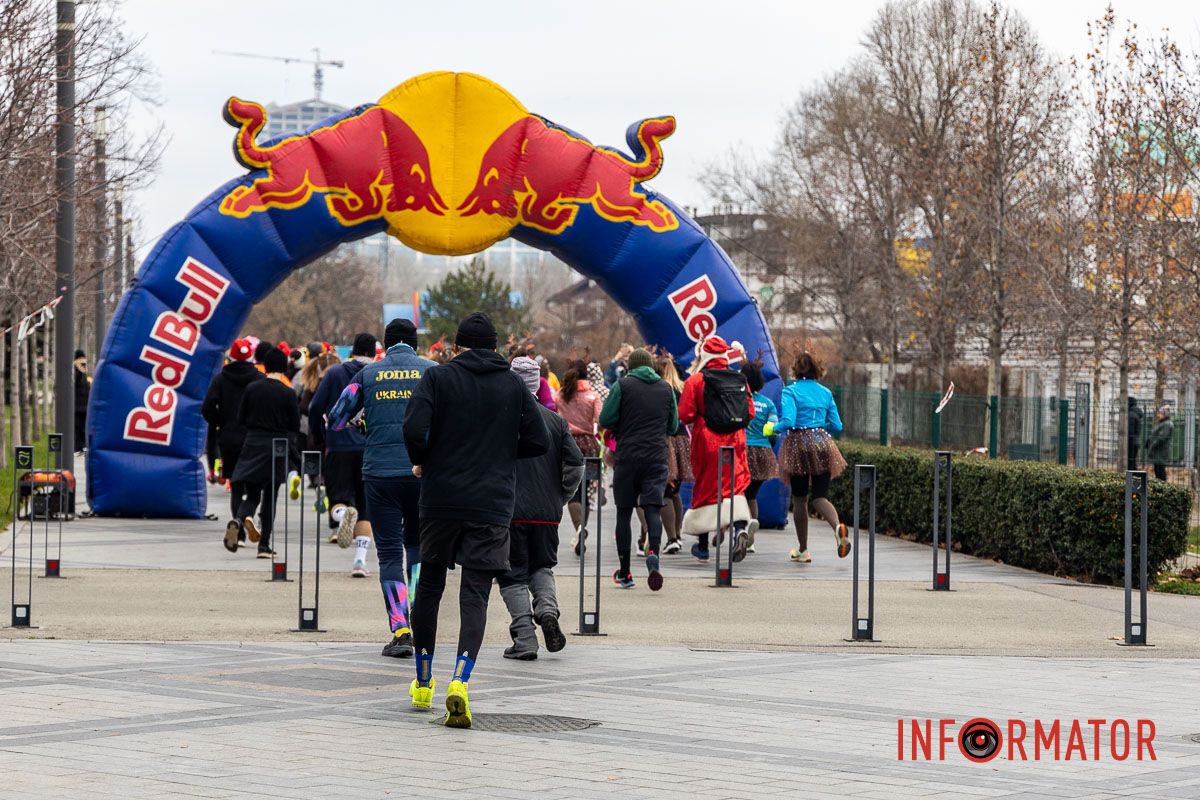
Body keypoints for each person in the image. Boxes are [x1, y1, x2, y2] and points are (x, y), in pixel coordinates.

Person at [402, 312, 549, 727]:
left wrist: (424, 460)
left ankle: (423, 681)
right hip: (491, 502)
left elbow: (413, 428)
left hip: (441, 499)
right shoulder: (513, 386)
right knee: (476, 593)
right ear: (495, 346)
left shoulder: (438, 379)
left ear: (458, 346)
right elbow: (537, 439)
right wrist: (500, 455)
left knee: (429, 585)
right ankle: (460, 681)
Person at [329, 320, 435, 658]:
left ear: (385, 346)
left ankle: (400, 628)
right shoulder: (433, 372)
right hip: (422, 474)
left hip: (379, 475)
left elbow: (337, 417)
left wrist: (365, 424)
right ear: (415, 343)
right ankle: (419, 622)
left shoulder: (367, 375)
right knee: (418, 546)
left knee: (389, 553)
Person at [500, 357, 583, 659]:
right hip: (547, 514)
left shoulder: (502, 420)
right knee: (541, 566)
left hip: (510, 511)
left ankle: (524, 638)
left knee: (511, 575)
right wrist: (561, 495)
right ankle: (547, 608)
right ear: (538, 384)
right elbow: (576, 462)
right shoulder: (555, 421)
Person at [599, 348, 678, 590]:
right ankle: (653, 554)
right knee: (653, 509)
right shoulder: (666, 389)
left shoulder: (622, 386)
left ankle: (625, 572)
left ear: (631, 366)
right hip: (656, 457)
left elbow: (605, 419)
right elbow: (673, 426)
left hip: (628, 457)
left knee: (624, 512)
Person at [679, 336, 757, 563]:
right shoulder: (740, 379)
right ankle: (739, 529)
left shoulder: (697, 380)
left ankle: (702, 547)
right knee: (735, 486)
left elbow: (685, 414)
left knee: (706, 487)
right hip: (735, 440)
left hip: (707, 440)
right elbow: (750, 412)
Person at [309, 333, 377, 577]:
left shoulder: (335, 373)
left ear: (352, 351)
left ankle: (341, 516)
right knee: (365, 505)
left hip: (338, 446)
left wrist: (319, 436)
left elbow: (315, 407)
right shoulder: (377, 374)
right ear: (374, 352)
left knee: (337, 497)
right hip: (370, 448)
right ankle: (360, 562)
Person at [774, 351, 850, 563]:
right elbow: (837, 425)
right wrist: (819, 429)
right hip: (823, 444)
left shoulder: (790, 391)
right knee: (820, 496)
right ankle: (837, 528)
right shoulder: (826, 392)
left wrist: (773, 428)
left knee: (800, 498)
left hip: (798, 446)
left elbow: (788, 421)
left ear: (796, 369)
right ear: (818, 368)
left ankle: (803, 549)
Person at [227, 347, 301, 557]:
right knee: (270, 496)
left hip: (252, 443)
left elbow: (241, 418)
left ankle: (239, 520)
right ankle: (264, 546)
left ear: (266, 366)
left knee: (251, 494)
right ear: (284, 368)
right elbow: (293, 426)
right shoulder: (288, 393)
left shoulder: (252, 388)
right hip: (276, 446)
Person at [203, 338, 264, 547]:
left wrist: (219, 421)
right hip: (253, 439)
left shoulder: (221, 379)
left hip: (228, 440)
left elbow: (207, 408)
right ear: (250, 357)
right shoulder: (258, 378)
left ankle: (239, 534)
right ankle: (245, 516)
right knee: (254, 488)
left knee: (236, 486)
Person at [556, 359, 603, 555]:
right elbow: (600, 421)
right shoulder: (593, 396)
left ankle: (578, 530)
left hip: (566, 445)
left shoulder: (561, 395)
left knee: (572, 490)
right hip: (589, 447)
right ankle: (581, 529)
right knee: (588, 489)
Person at [741, 360, 779, 554]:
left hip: (741, 452)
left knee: (736, 493)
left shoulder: (739, 400)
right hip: (763, 452)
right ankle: (751, 538)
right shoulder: (769, 404)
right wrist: (767, 445)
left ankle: (738, 531)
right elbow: (773, 432)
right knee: (752, 495)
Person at [657, 353, 690, 554]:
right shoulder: (683, 388)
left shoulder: (661, 389)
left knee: (664, 490)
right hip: (684, 440)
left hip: (667, 440)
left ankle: (671, 537)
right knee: (675, 490)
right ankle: (677, 534)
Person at [1147, 404, 1173, 481]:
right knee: (1157, 471)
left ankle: (1162, 489)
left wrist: (1152, 446)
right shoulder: (1162, 423)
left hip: (1161, 452)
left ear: (1165, 414)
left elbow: (1162, 438)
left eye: (1160, 413)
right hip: (1158, 452)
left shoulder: (1167, 424)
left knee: (1160, 472)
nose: (1159, 415)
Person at [73, 350, 90, 453]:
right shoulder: (74, 371)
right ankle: (76, 447)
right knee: (77, 427)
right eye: (80, 359)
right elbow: (76, 383)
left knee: (83, 428)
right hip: (76, 406)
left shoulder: (84, 372)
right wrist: (78, 370)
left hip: (84, 405)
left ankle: (82, 446)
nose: (83, 362)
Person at [1127, 397, 1144, 471]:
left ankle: (1131, 479)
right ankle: (1134, 478)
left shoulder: (1131, 415)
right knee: (1133, 461)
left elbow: (1130, 432)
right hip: (1135, 441)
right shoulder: (1135, 414)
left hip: (1131, 442)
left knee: (1130, 462)